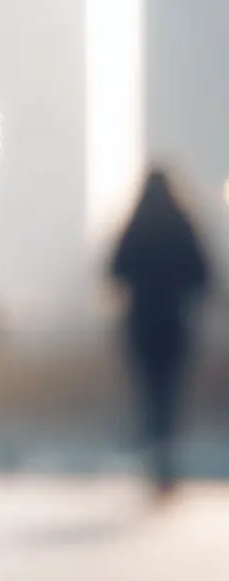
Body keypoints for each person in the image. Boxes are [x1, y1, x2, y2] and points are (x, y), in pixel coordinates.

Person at [109, 168, 211, 496]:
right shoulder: (183, 225)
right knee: (170, 393)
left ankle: (155, 459)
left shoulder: (135, 226)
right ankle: (166, 462)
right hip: (175, 324)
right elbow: (204, 276)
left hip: (141, 324)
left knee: (149, 393)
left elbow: (114, 270)